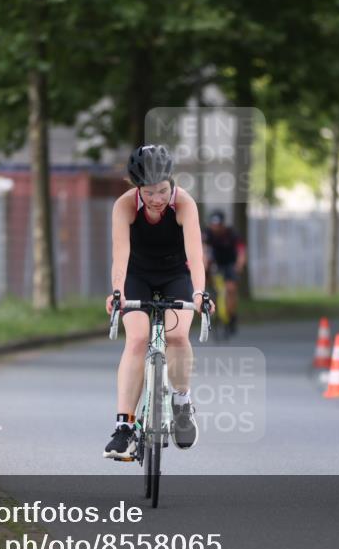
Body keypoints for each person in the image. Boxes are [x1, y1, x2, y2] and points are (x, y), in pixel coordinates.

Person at [104, 145, 211, 459]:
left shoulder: (184, 204)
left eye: (162, 190)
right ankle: (124, 428)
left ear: (171, 182)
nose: (157, 199)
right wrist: (117, 291)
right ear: (137, 188)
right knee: (136, 340)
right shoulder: (124, 206)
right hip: (137, 275)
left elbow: (195, 255)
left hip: (175, 275)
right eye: (149, 192)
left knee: (177, 336)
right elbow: (120, 255)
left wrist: (200, 293)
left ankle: (181, 402)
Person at [202, 210, 247, 334]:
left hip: (230, 264)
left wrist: (239, 266)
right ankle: (207, 309)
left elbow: (241, 252)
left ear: (223, 225)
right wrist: (203, 265)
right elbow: (203, 250)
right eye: (213, 225)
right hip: (215, 263)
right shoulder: (207, 233)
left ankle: (232, 317)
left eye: (218, 225)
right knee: (204, 283)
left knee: (231, 289)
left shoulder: (232, 234)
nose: (215, 228)